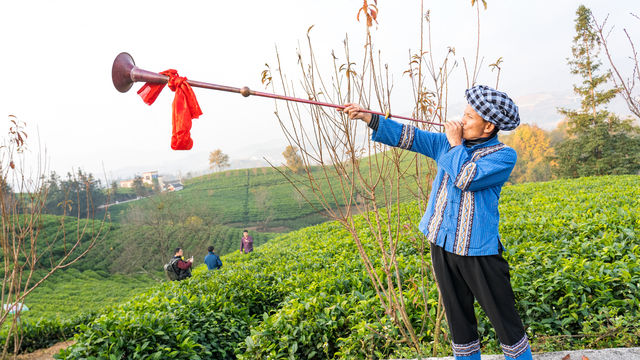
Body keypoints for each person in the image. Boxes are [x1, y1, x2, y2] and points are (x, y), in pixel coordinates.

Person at [343, 85, 532, 360]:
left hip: (477, 250)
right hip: (441, 242)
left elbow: (466, 177)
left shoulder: (503, 156)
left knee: (504, 319)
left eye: (469, 117)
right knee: (458, 318)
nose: (461, 121)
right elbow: (409, 137)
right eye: (463, 114)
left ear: (489, 126)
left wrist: (455, 143)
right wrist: (368, 117)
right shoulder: (445, 144)